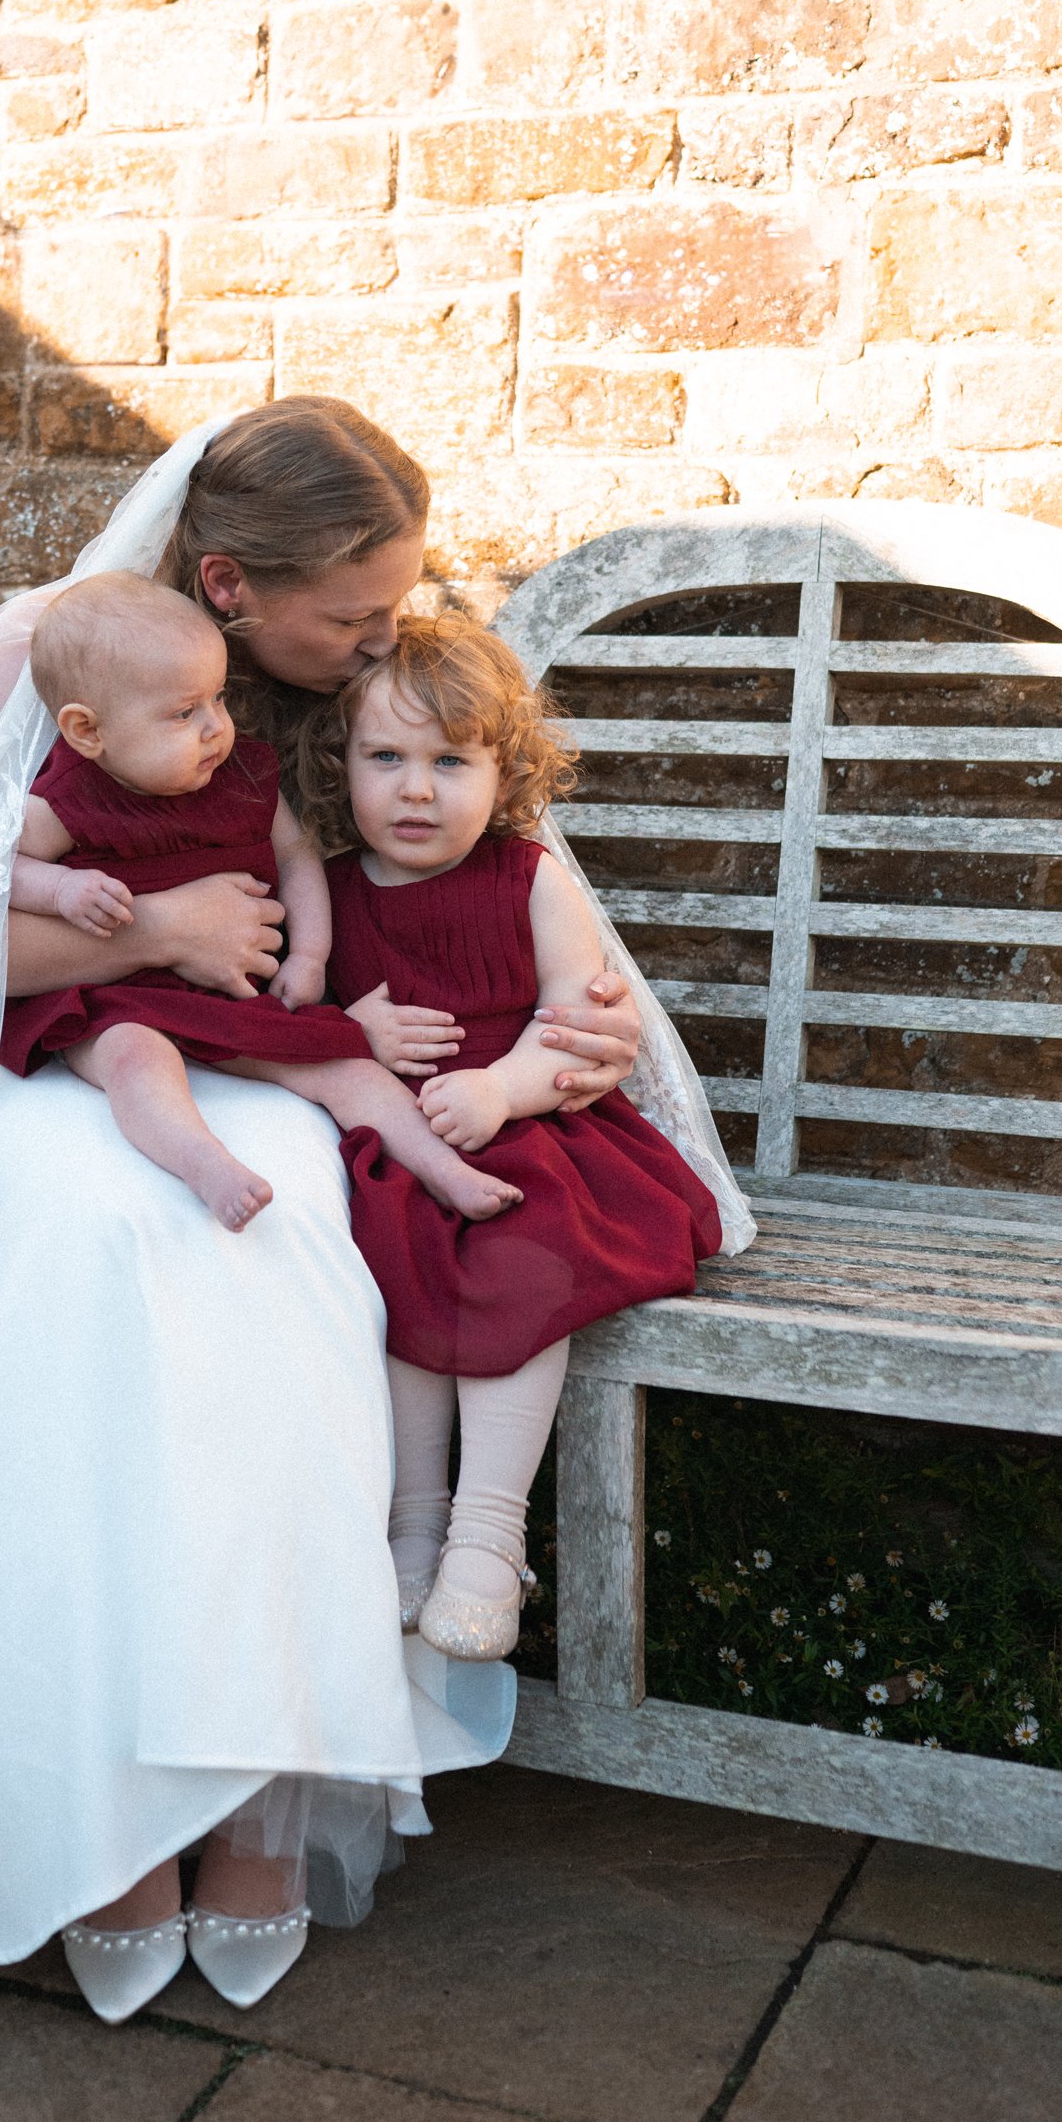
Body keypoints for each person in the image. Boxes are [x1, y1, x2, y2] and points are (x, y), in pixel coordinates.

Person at [0, 398, 738, 2026]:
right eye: (355, 611)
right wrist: (155, 930)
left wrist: (578, 1034)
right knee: (102, 1239)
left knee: (288, 1237)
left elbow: (507, 888)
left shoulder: (363, 706)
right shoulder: (53, 652)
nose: (386, 633)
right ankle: (94, 1803)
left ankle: (252, 1788)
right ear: (234, 584)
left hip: (301, 1071)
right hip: (68, 1071)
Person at [303, 614, 726, 1663]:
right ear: (342, 763)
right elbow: (294, 1017)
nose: (414, 788)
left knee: (520, 1256)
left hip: (534, 1133)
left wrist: (498, 1089)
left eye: (450, 761)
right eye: (385, 758)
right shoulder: (330, 888)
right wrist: (353, 1028)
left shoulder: (530, 880)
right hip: (401, 1140)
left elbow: (576, 1036)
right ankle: (410, 1527)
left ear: (505, 771)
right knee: (384, 1251)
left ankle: (488, 1535)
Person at [1, 570, 521, 1230]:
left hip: (228, 997)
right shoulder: (68, 800)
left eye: (216, 700)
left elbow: (296, 854)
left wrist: (309, 954)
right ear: (87, 731)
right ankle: (203, 1162)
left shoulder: (240, 774)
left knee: (344, 1065)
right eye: (182, 713)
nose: (215, 727)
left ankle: (444, 1170)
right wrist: (60, 887)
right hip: (112, 1000)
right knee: (135, 1057)